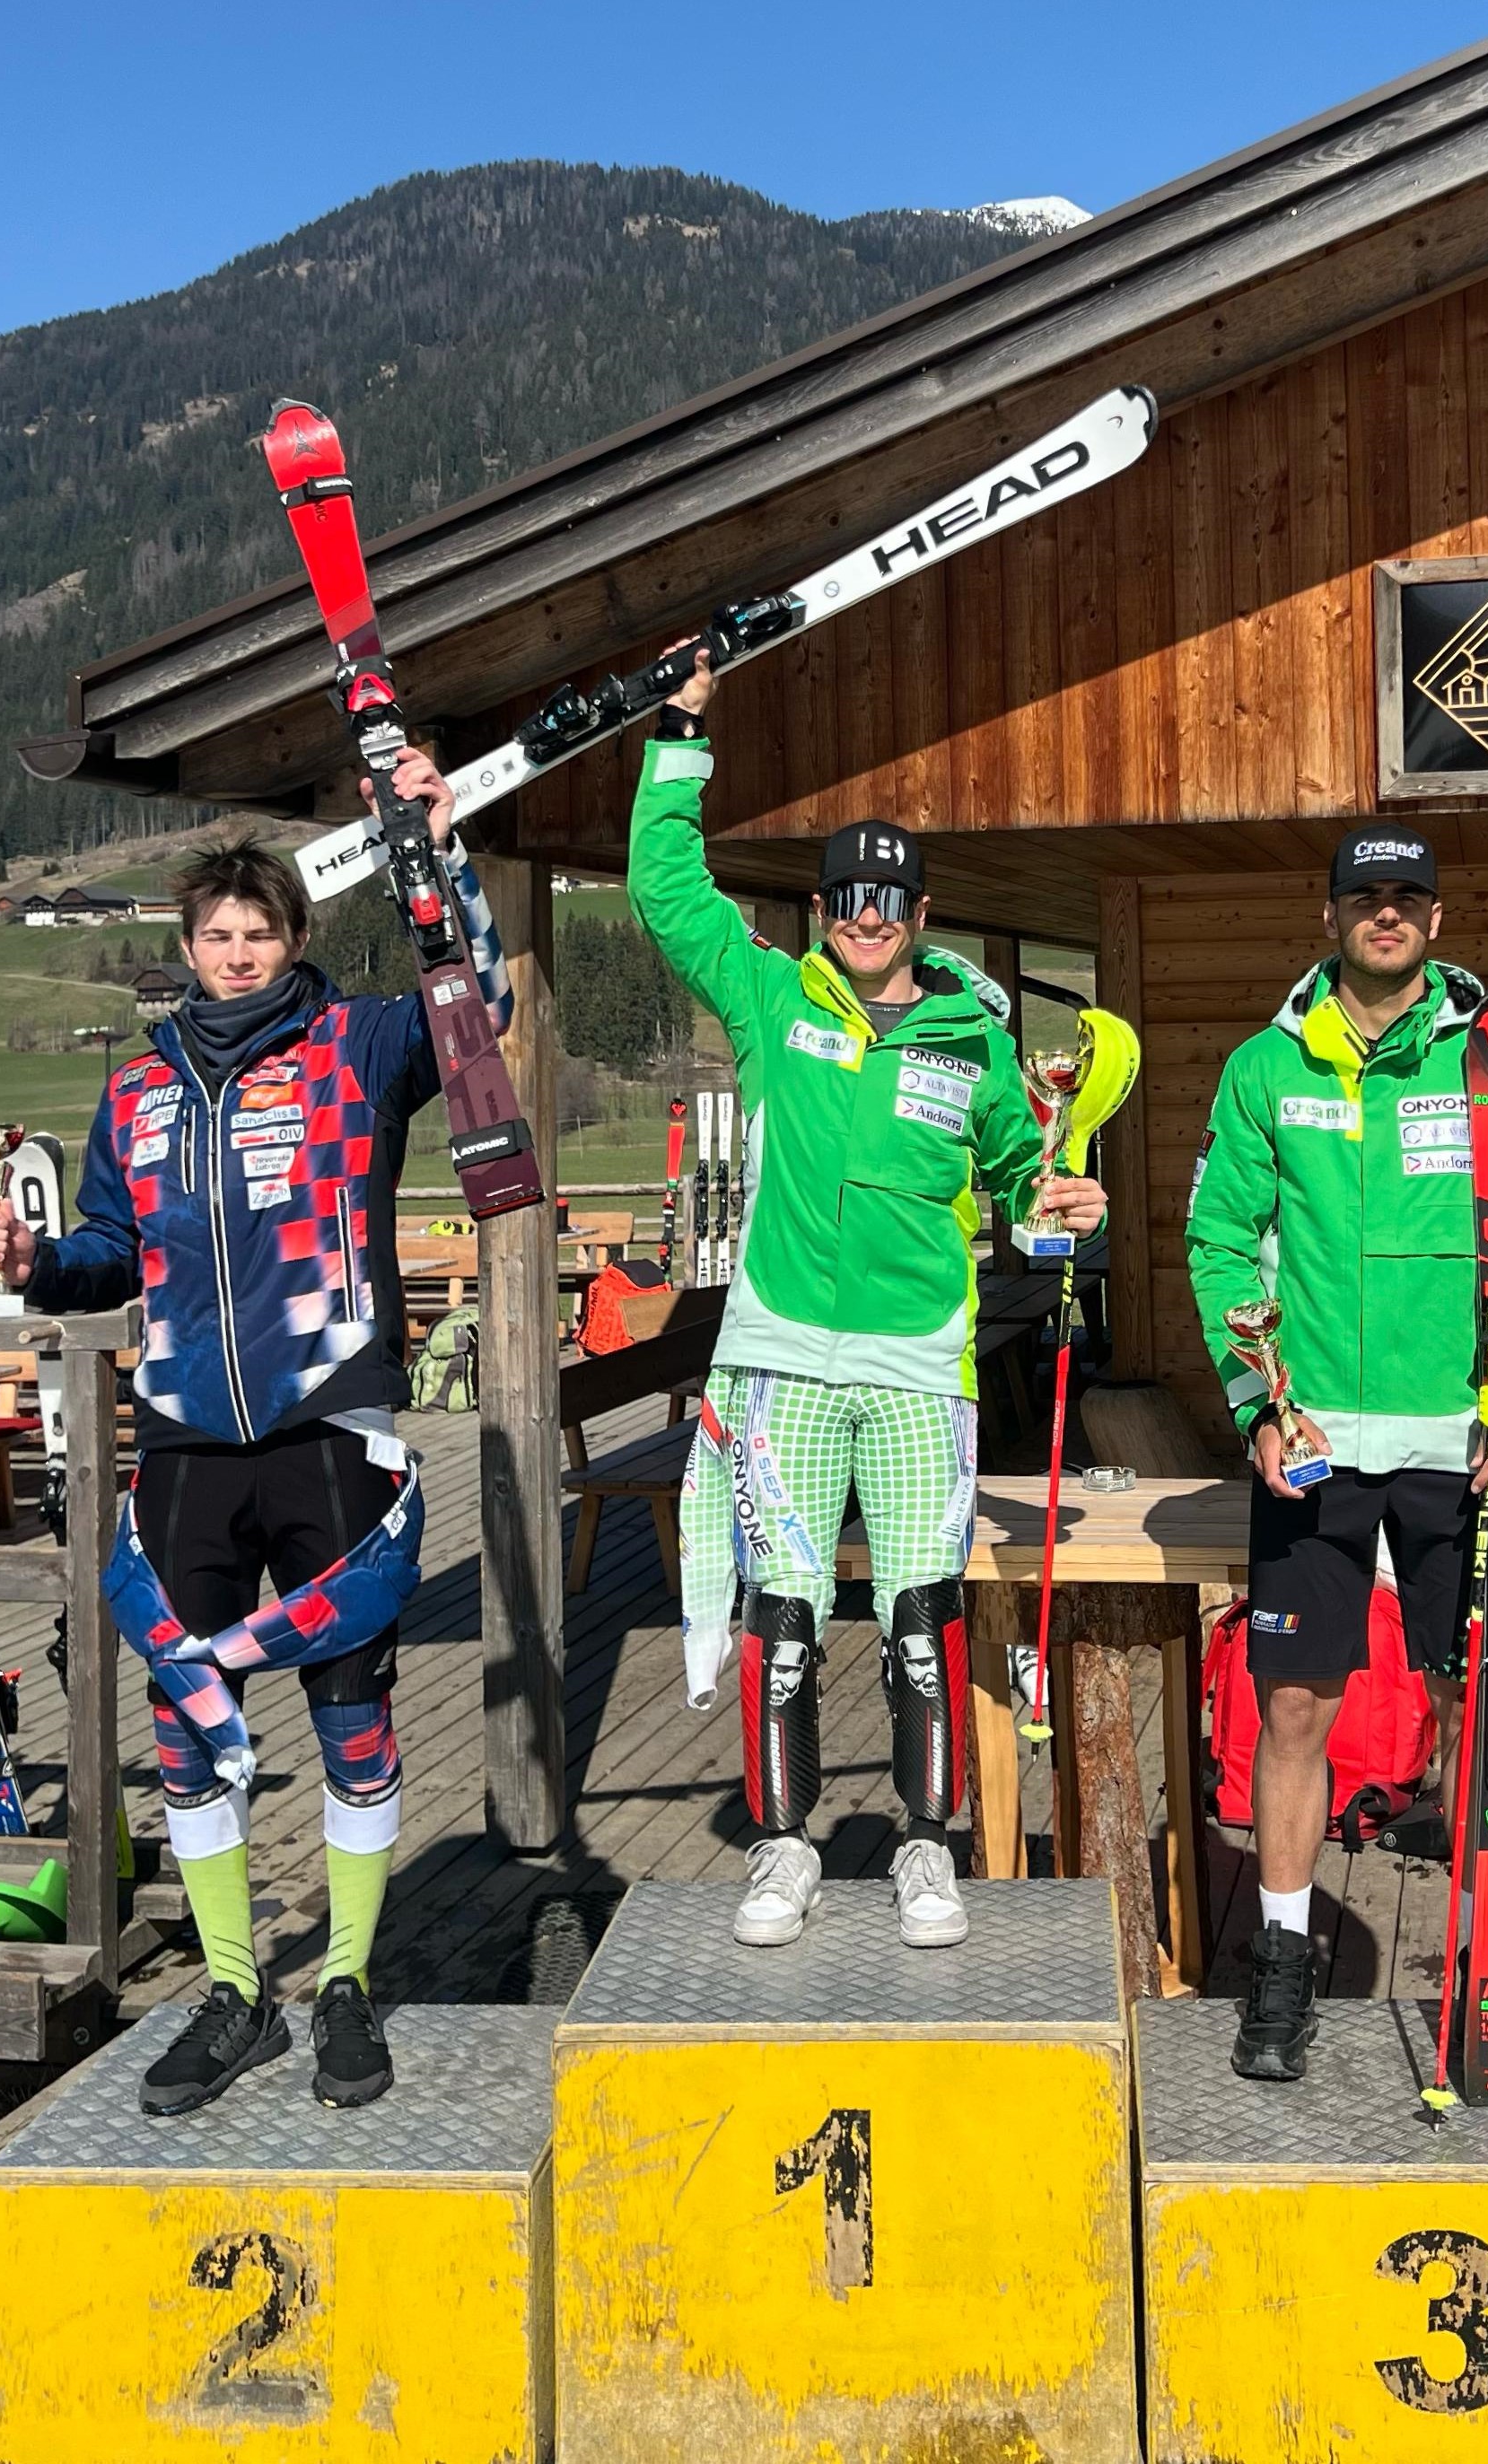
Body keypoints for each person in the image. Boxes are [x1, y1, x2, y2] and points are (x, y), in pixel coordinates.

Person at [0, 798, 509, 2114]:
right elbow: (110, 1250)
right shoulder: (138, 1089)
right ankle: (232, 1990)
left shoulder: (359, 1044)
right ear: (189, 947)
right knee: (188, 1716)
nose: (237, 952)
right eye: (216, 933)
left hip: (331, 1429)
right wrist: (37, 1262)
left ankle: (347, 1982)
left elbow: (477, 1004)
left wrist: (440, 854)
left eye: (258, 931)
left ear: (295, 937)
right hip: (184, 1445)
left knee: (352, 1711)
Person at [628, 644, 1104, 1947]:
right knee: (783, 1618)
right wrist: (680, 732)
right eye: (846, 896)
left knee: (920, 1620)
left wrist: (1063, 1198)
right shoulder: (772, 999)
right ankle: (781, 1847)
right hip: (780, 1359)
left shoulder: (977, 1041)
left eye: (888, 898)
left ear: (921, 910)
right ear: (824, 909)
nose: (866, 915)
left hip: (915, 1370)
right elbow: (667, 889)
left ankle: (925, 1847)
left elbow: (1020, 1174)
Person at [1186, 825, 1488, 2082]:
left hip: (1463, 1447)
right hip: (1313, 1444)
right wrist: (1258, 1405)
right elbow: (1220, 1244)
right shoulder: (1266, 1068)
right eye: (1364, 894)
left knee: (1477, 1713)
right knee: (1294, 1705)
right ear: (1327, 915)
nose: (1387, 912)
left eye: (1407, 896)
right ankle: (1280, 1960)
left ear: (1434, 917)